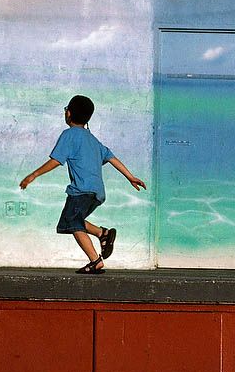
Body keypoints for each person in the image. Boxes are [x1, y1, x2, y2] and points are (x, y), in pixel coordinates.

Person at [19, 95, 146, 274]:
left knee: (72, 222)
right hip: (97, 192)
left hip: (82, 190)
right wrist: (130, 177)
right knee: (72, 220)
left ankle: (95, 261)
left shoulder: (69, 135)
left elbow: (56, 160)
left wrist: (33, 175)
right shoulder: (91, 139)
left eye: (66, 109)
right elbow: (112, 158)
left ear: (68, 114)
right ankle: (103, 234)